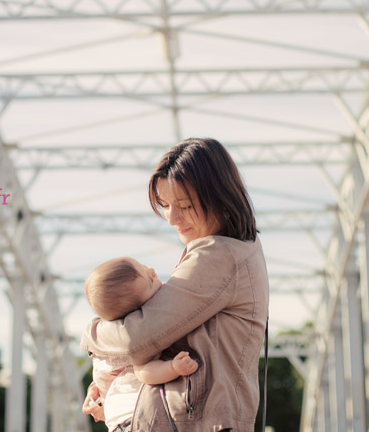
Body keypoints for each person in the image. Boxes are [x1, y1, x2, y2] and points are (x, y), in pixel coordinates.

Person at [81, 137, 269, 432]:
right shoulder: (235, 252)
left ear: (218, 197)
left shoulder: (219, 256)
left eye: (184, 205)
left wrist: (92, 336)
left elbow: (137, 338)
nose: (171, 218)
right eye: (165, 204)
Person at [83, 256, 199, 431]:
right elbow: (144, 372)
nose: (153, 272)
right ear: (138, 310)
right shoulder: (136, 336)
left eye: (146, 268)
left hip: (120, 418)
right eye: (151, 281)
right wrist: (173, 368)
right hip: (134, 417)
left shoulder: (109, 337)